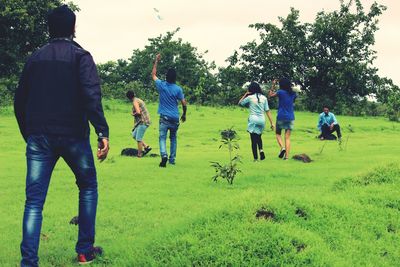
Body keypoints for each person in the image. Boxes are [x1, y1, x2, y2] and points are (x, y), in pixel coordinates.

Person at [14, 5, 109, 266]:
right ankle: (84, 251)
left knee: (34, 201)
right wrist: (102, 132)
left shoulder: (35, 58)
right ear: (73, 27)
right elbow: (92, 96)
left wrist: (29, 133)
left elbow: (19, 101)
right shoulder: (81, 56)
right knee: (88, 186)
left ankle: (29, 262)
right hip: (74, 137)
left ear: (49, 28)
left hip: (39, 138)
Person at [151, 53, 187, 167]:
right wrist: (184, 114)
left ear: (166, 76)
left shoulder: (161, 85)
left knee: (162, 137)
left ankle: (164, 155)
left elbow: (153, 74)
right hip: (175, 118)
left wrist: (156, 60)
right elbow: (184, 103)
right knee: (173, 138)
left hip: (164, 118)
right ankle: (172, 159)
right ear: (175, 78)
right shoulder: (178, 89)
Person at [238, 82, 274, 161]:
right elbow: (267, 111)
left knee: (253, 140)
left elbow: (240, 103)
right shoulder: (264, 98)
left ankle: (255, 158)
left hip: (253, 119)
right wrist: (272, 123)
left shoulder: (250, 97)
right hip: (262, 120)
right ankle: (261, 150)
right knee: (258, 136)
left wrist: (246, 94)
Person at [268, 78, 297, 160]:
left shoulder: (280, 92)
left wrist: (273, 85)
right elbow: (293, 101)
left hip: (281, 116)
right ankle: (287, 157)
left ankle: (282, 147)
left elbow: (270, 96)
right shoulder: (294, 94)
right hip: (291, 117)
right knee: (287, 137)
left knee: (278, 134)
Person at [126, 91, 152, 157]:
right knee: (134, 135)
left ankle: (139, 154)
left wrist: (133, 114)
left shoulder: (135, 102)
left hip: (143, 121)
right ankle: (146, 147)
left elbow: (138, 112)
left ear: (128, 98)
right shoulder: (137, 99)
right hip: (143, 121)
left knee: (138, 139)